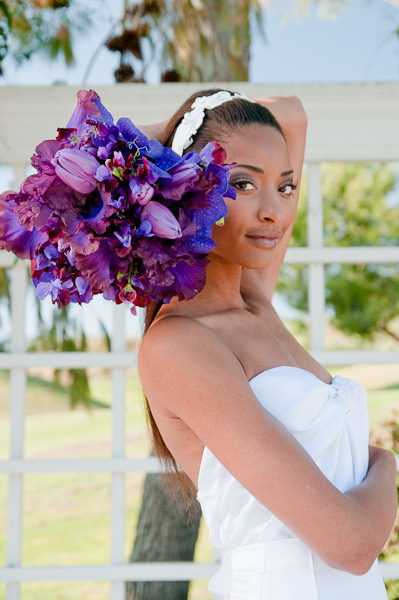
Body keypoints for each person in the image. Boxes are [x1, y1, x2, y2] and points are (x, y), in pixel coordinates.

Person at [138, 89, 398, 600]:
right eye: (242, 183)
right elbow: (351, 544)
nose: (273, 212)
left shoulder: (255, 304)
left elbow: (293, 113)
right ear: (187, 189)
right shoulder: (181, 343)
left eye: (285, 186)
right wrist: (386, 464)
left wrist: (183, 141)